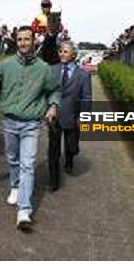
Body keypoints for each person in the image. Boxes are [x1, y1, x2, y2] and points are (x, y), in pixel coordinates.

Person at [0, 26, 61, 230]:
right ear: (16, 42)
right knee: (13, 159)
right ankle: (15, 186)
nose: (23, 43)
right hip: (9, 122)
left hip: (32, 124)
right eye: (20, 39)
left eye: (27, 39)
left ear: (34, 41)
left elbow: (54, 90)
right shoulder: (5, 65)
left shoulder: (44, 68)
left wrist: (53, 106)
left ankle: (24, 211)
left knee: (27, 164)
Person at [47, 41, 92, 191]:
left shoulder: (83, 75)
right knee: (53, 149)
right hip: (54, 116)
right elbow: (46, 91)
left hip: (73, 116)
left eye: (65, 51)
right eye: (60, 51)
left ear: (73, 54)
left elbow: (86, 97)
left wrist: (83, 117)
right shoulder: (52, 70)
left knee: (71, 146)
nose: (62, 54)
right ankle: (54, 180)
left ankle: (69, 160)